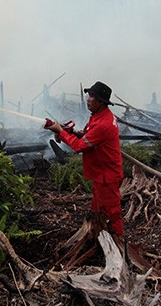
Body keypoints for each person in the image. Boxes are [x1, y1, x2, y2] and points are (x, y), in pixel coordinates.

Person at [45, 81, 124, 236]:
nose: (88, 99)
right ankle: (98, 237)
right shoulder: (100, 116)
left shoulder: (103, 124)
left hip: (107, 177)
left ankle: (119, 243)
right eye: (89, 95)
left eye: (92, 97)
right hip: (102, 174)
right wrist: (71, 132)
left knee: (112, 214)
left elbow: (80, 146)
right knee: (97, 211)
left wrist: (61, 132)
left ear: (101, 102)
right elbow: (88, 136)